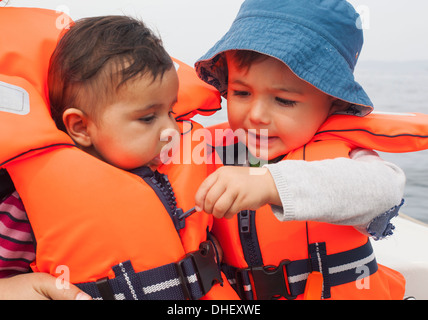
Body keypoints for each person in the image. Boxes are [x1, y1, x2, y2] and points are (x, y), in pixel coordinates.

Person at [192, 0, 423, 299]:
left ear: (334, 103)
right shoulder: (206, 152)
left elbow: (384, 191)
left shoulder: (350, 159)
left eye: (284, 100)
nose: (257, 114)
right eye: (241, 93)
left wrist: (271, 184)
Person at [0, 13, 238, 300]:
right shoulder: (23, 207)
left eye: (171, 112)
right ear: (81, 127)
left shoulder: (187, 165)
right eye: (148, 118)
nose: (171, 130)